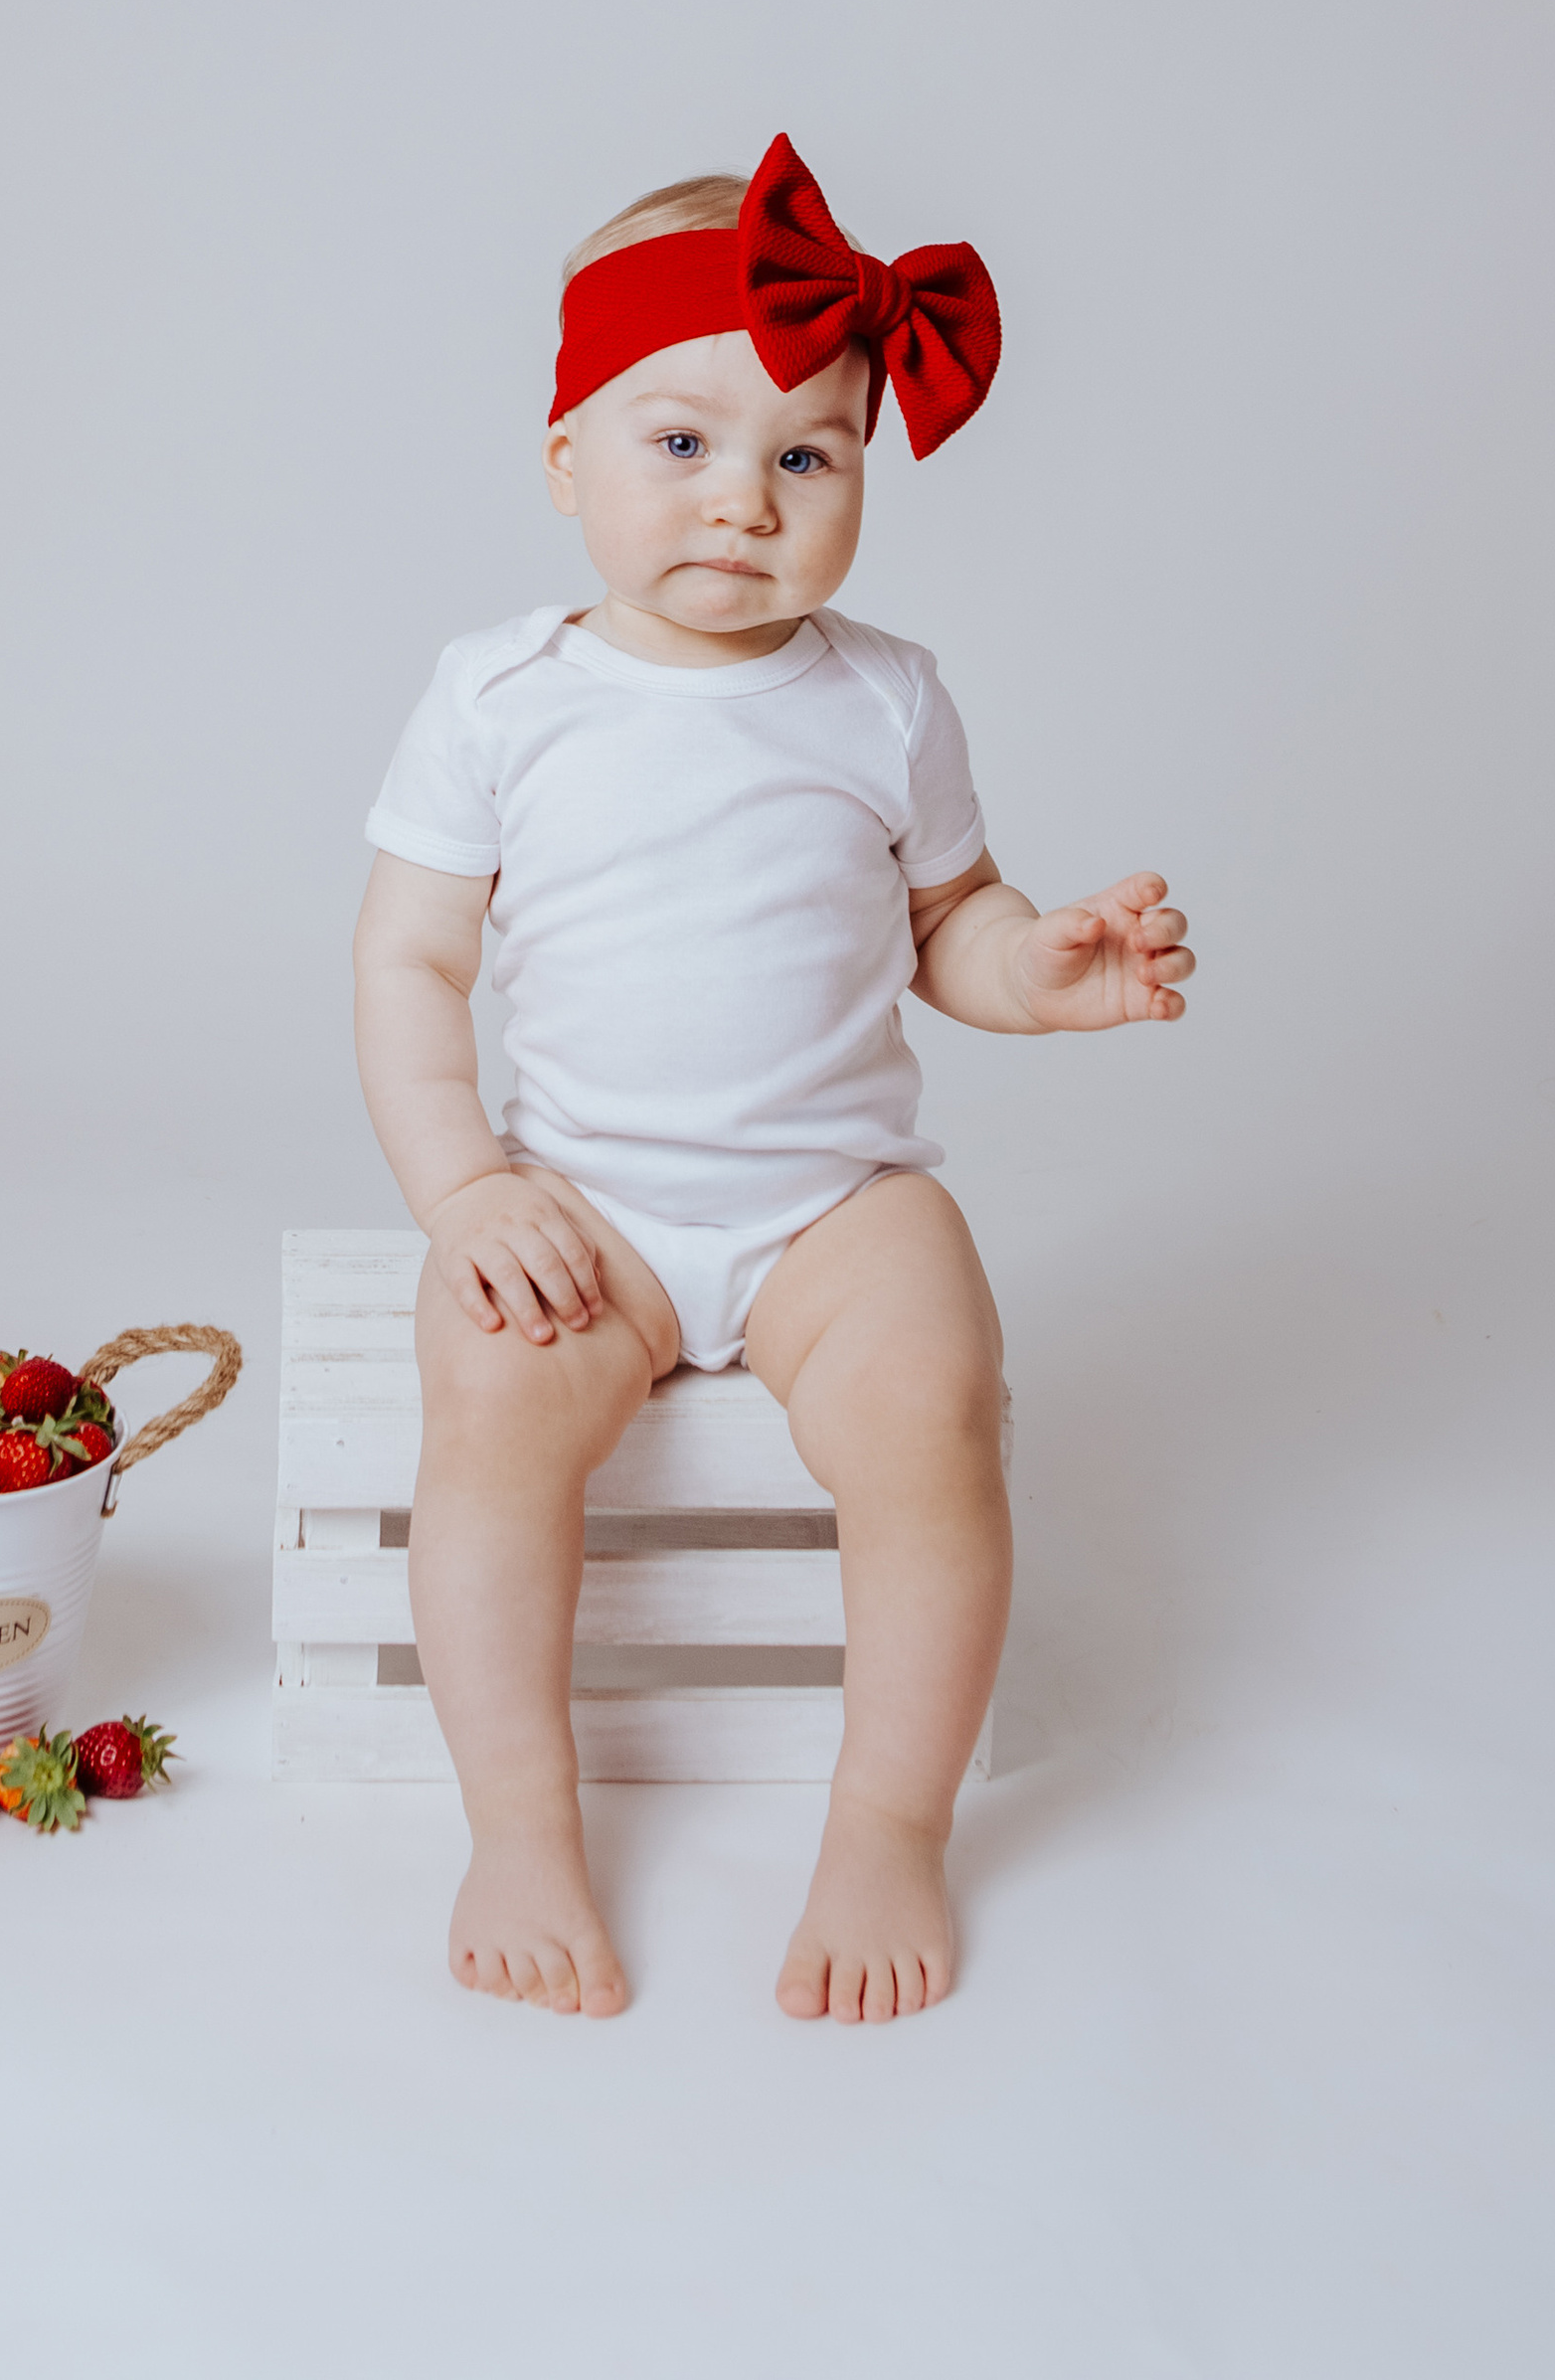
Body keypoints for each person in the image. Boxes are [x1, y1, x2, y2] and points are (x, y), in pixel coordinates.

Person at [352, 136, 1195, 2023]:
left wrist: (1041, 974)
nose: (744, 500)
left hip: (832, 1203)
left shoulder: (884, 696)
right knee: (490, 1413)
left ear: (861, 482)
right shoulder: (502, 698)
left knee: (934, 1410)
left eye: (805, 455)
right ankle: (520, 1817)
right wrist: (469, 1188)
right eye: (681, 444)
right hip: (590, 1201)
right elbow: (411, 960)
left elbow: (948, 925)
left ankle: (889, 1823)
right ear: (563, 455)